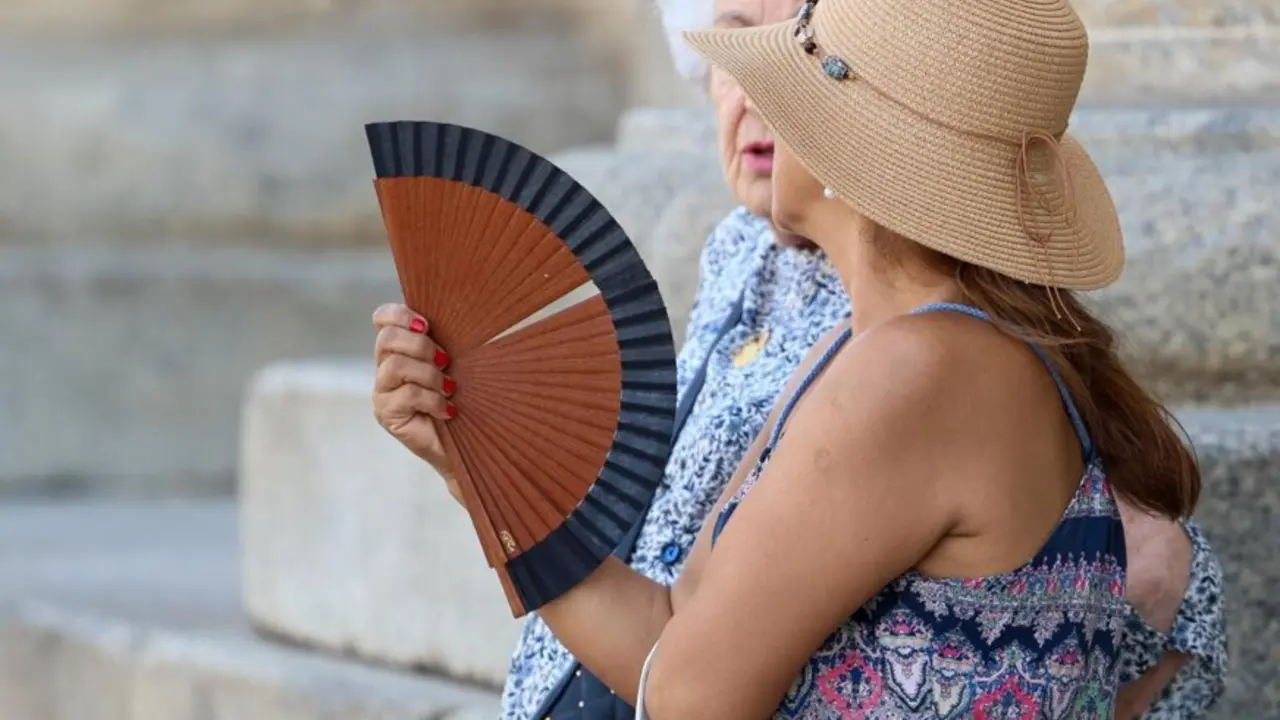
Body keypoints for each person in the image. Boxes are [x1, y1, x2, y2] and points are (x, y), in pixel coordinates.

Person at [370, 1, 1226, 717]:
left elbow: (688, 701)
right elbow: (666, 633)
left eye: (793, 86)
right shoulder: (860, 355)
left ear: (860, 153)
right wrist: (475, 463)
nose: (760, 107)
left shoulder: (921, 372)